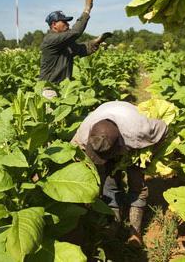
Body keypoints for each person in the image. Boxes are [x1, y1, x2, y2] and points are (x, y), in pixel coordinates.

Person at [71, 101, 168, 246]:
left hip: (134, 143)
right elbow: (73, 151)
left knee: (137, 185)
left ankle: (135, 232)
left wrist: (149, 155)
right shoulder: (85, 130)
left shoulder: (139, 130)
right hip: (110, 120)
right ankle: (114, 222)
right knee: (110, 181)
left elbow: (164, 129)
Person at [39, 0, 112, 99]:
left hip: (64, 88)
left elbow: (81, 49)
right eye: (64, 22)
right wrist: (87, 9)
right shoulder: (50, 40)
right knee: (55, 115)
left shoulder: (64, 43)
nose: (68, 24)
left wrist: (98, 41)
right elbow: (76, 32)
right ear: (54, 25)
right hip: (49, 89)